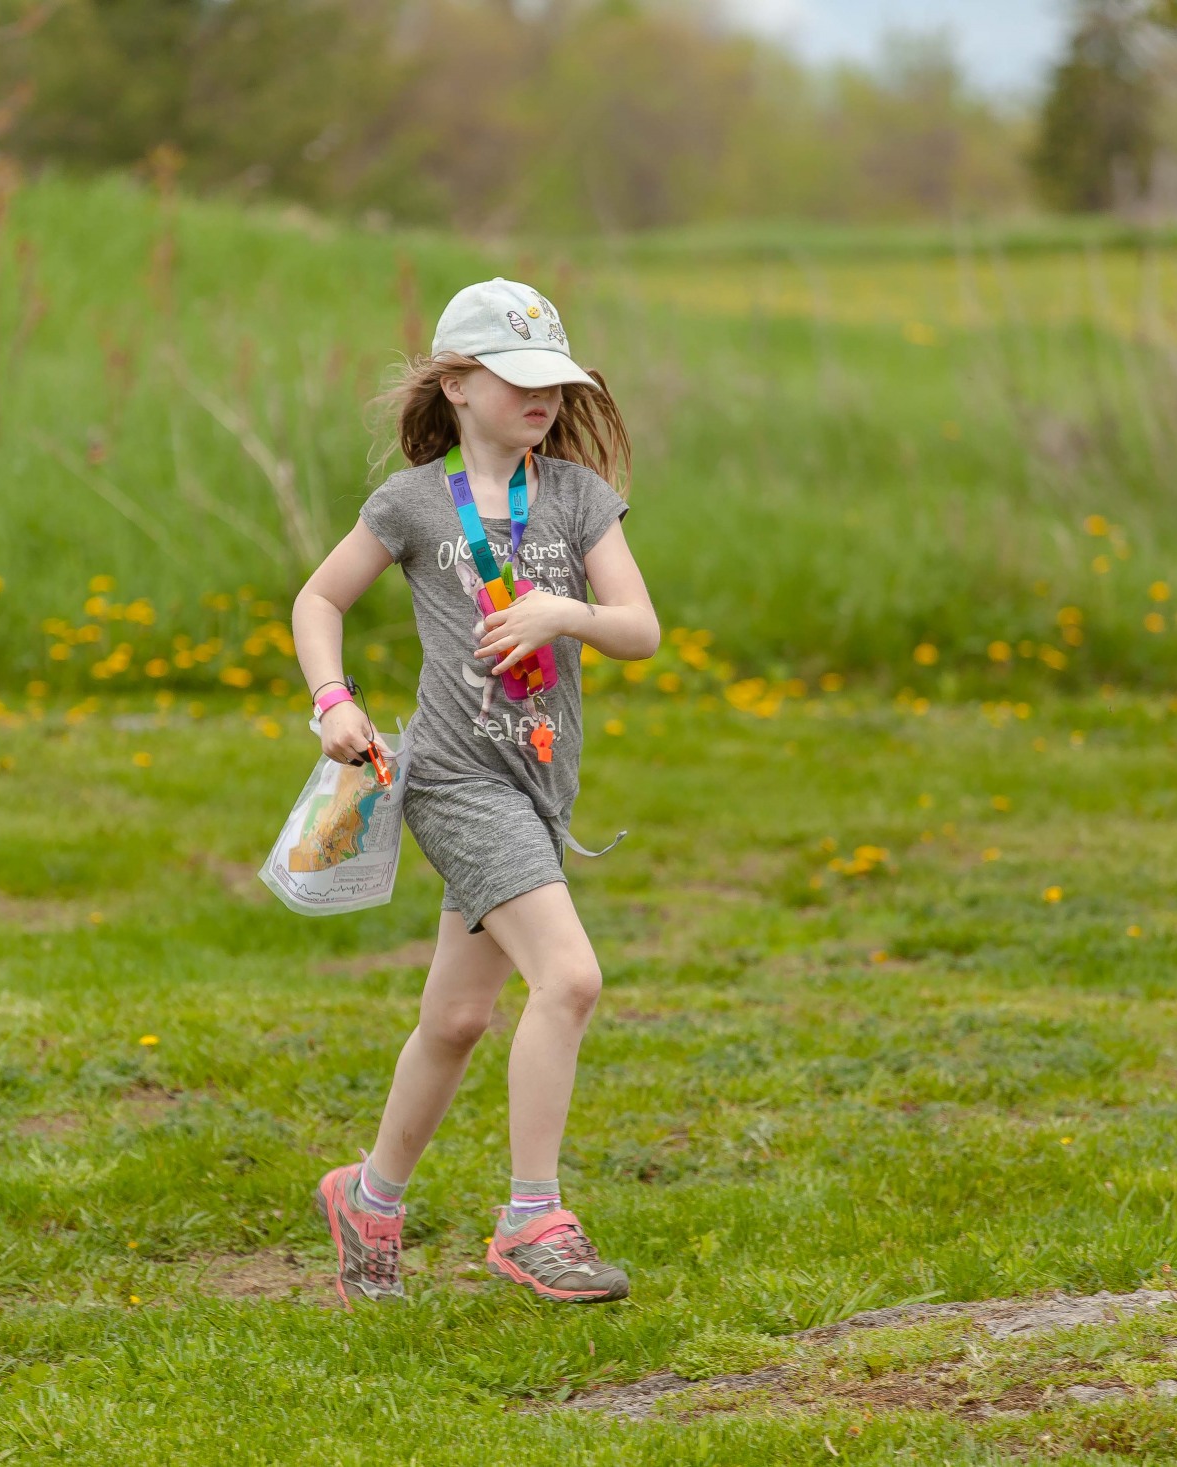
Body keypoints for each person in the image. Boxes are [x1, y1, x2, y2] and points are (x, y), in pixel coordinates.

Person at [291, 278, 659, 1306]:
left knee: (455, 1019)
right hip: (455, 782)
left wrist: (562, 614)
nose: (543, 396)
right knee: (569, 978)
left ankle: (368, 1197)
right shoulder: (412, 503)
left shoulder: (577, 496)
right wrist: (332, 700)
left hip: (539, 784)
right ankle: (532, 1218)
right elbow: (319, 597)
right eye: (517, 378)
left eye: (555, 380)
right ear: (456, 384)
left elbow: (638, 628)